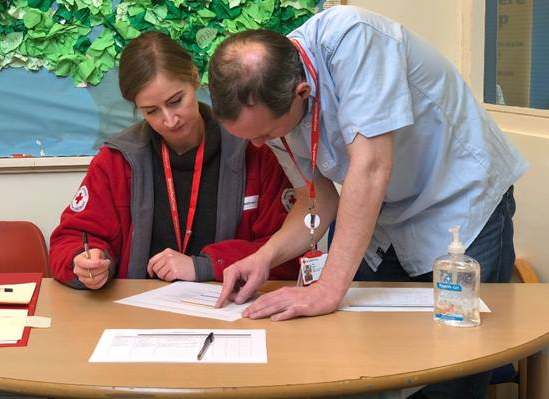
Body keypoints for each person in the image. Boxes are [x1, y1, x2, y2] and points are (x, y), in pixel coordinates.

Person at [207, 6, 526, 398]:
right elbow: (316, 199)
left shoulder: (353, 39)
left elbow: (372, 167)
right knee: (361, 360)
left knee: (452, 370)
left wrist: (328, 288)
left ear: (301, 93)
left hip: (461, 204)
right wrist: (264, 256)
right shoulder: (269, 97)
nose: (259, 145)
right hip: (387, 216)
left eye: (267, 134)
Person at [50, 31, 298, 290]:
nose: (169, 120)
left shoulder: (253, 148)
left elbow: (288, 253)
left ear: (193, 78)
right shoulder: (116, 160)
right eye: (151, 111)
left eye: (176, 101)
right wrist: (84, 261)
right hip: (137, 314)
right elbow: (70, 239)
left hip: (230, 308)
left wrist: (206, 264)